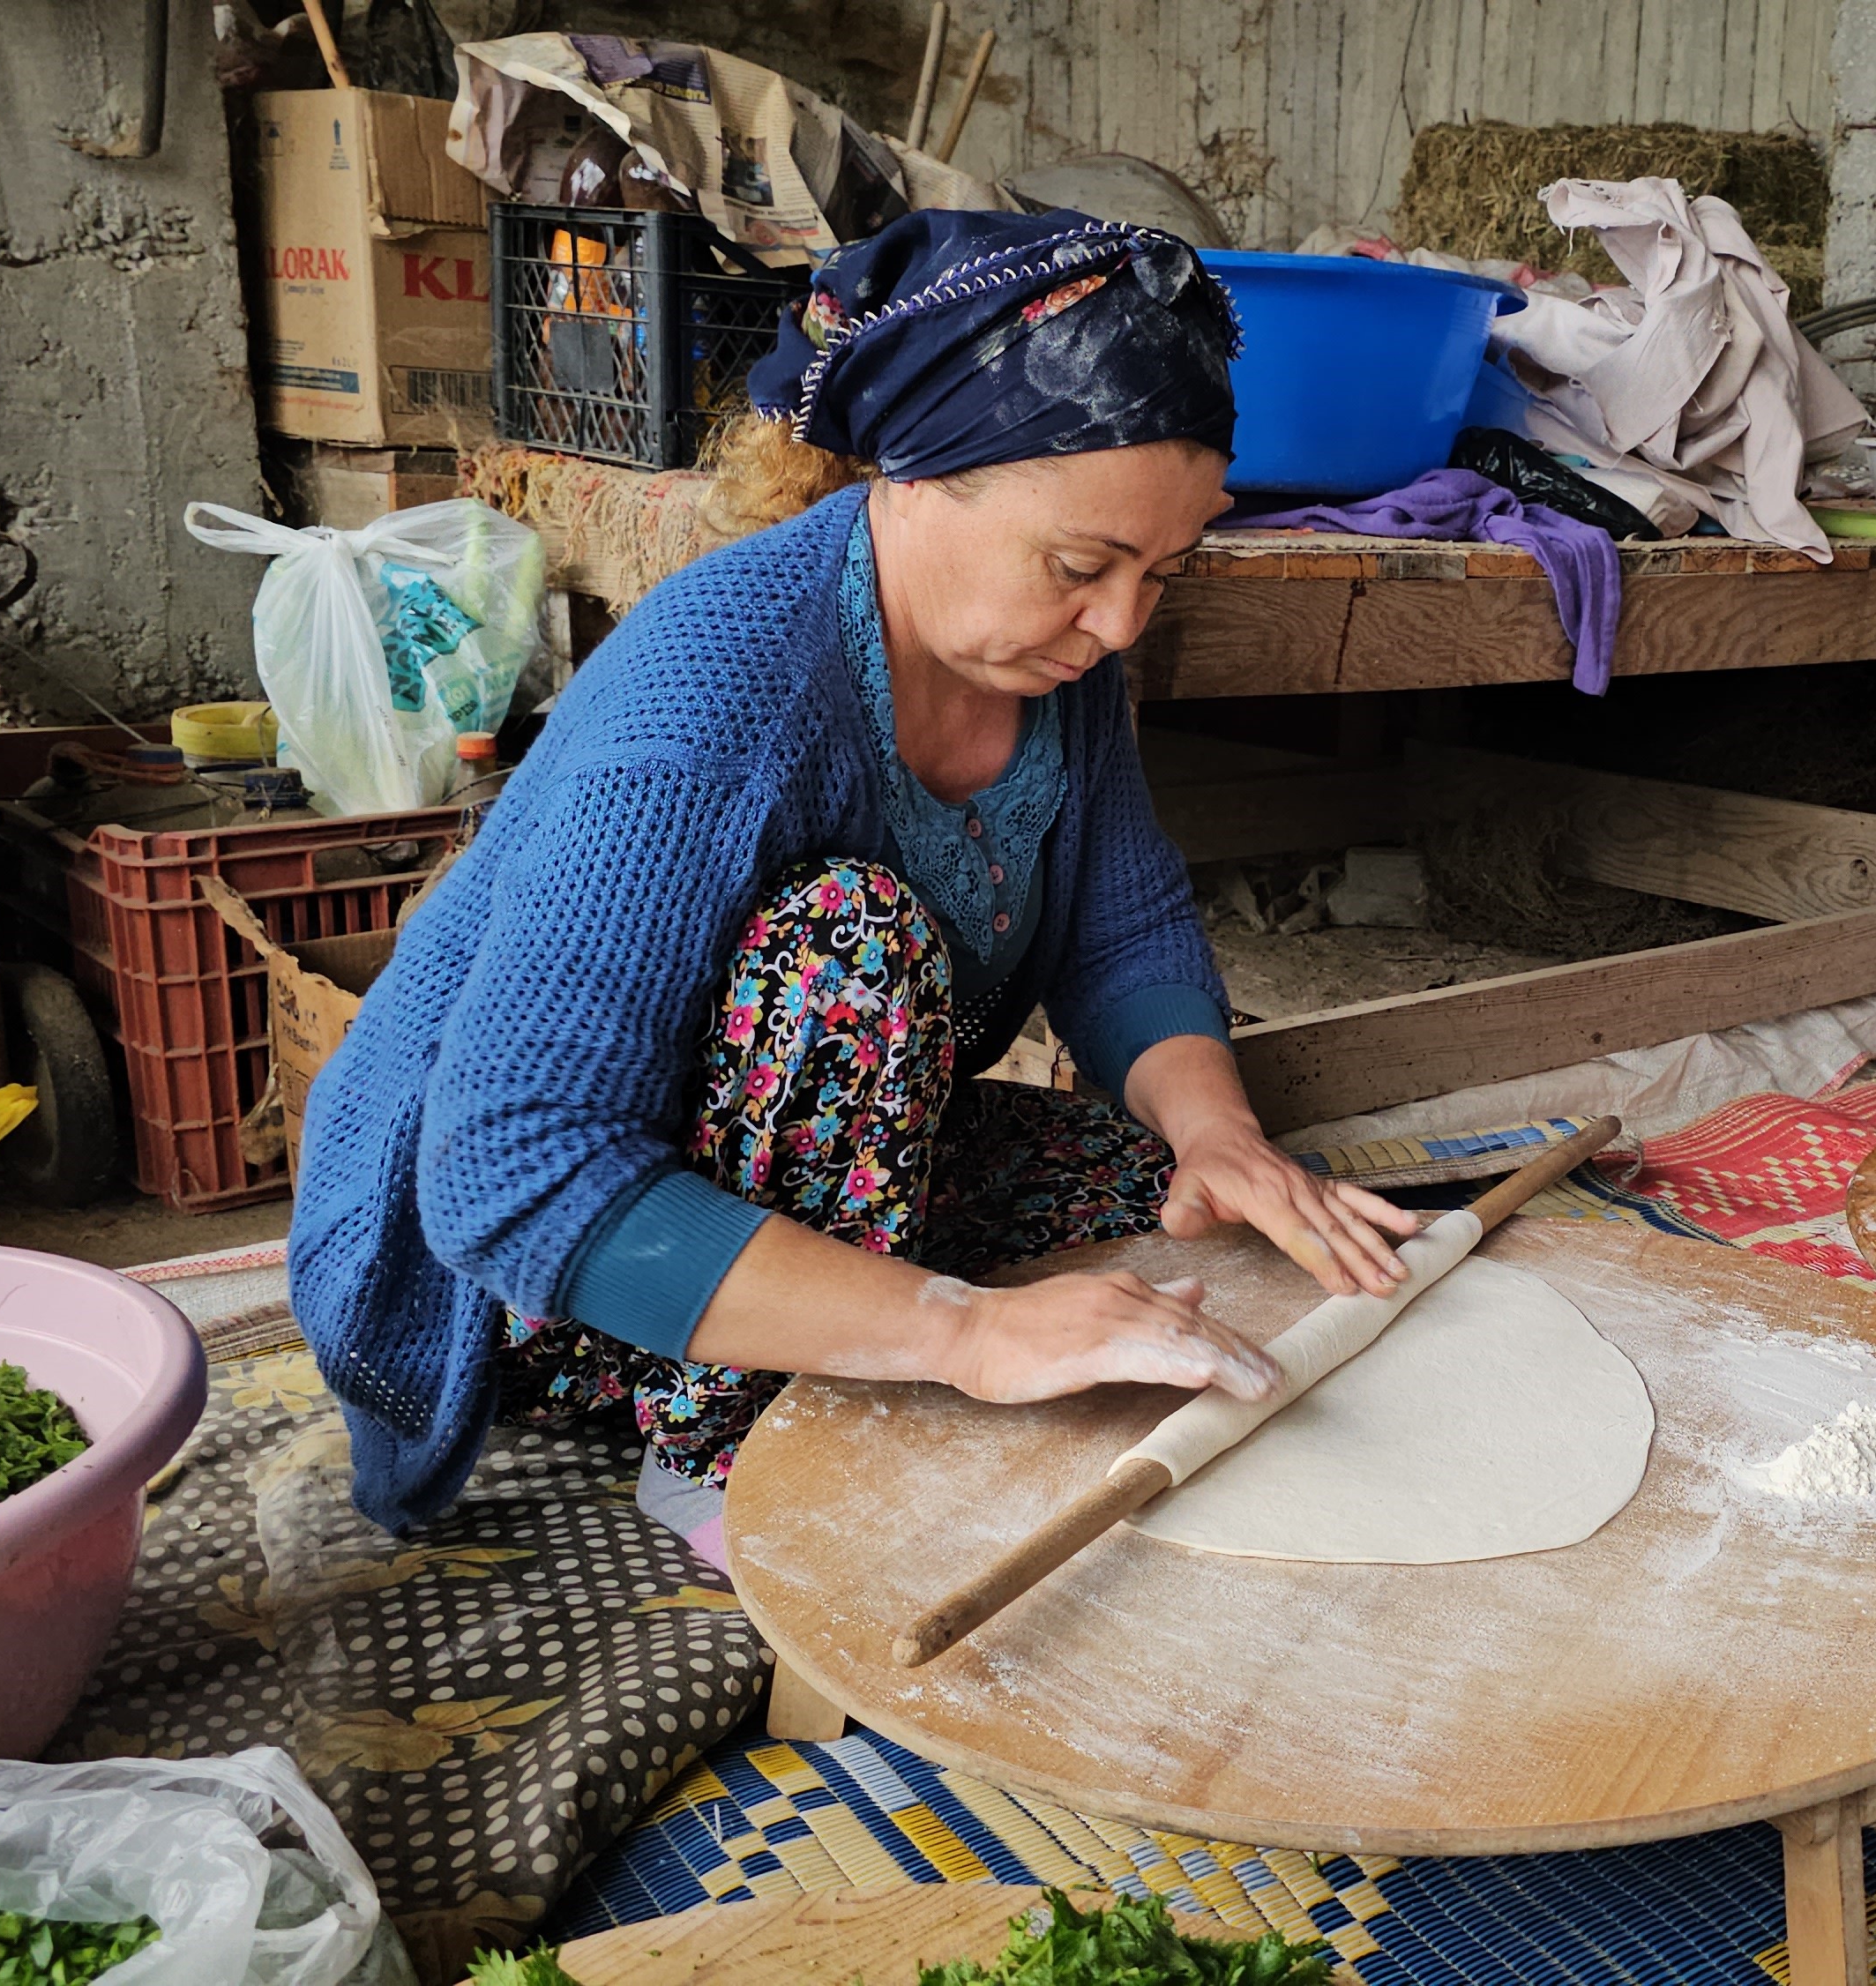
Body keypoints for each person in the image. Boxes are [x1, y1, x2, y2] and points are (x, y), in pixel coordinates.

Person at [290, 211, 1417, 1551]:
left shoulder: (1062, 666)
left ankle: (873, 1323)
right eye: (1081, 567)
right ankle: (723, 1449)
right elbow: (511, 1173)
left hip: (785, 1152)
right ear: (915, 477)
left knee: (1163, 1209)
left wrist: (1216, 1132)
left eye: (1159, 573)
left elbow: (1123, 932)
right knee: (851, 947)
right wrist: (966, 1333)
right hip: (525, 1274)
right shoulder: (718, 689)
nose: (1121, 623)